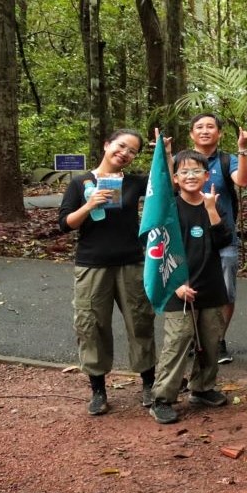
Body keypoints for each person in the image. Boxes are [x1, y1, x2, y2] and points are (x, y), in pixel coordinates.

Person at [59, 129, 154, 415]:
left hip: (131, 263)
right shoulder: (80, 183)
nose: (125, 153)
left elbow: (167, 185)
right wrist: (89, 204)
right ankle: (98, 390)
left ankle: (149, 384)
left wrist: (165, 152)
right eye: (121, 146)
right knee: (91, 326)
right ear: (106, 144)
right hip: (92, 264)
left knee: (140, 322)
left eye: (132, 151)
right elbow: (65, 224)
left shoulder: (136, 183)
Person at [148, 151, 236, 424]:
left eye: (196, 171)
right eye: (184, 172)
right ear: (175, 178)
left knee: (211, 340)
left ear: (207, 175)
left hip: (210, 285)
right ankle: (162, 398)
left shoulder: (214, 204)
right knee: (177, 341)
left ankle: (202, 388)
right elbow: (157, 250)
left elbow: (223, 241)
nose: (190, 176)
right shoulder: (169, 208)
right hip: (178, 286)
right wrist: (175, 284)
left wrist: (210, 209)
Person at [186, 113, 247, 364]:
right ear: (192, 134)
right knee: (192, 289)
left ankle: (217, 340)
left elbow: (243, 181)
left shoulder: (228, 160)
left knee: (226, 291)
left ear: (220, 133)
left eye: (211, 126)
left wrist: (243, 150)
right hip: (188, 237)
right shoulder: (182, 161)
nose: (205, 131)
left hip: (223, 235)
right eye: (199, 127)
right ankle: (195, 339)